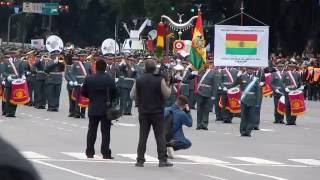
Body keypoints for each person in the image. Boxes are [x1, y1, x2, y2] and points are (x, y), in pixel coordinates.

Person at [130, 58, 173, 167]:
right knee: (159, 136)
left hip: (143, 111)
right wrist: (169, 84)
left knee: (143, 136)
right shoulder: (159, 79)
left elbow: (132, 95)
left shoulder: (139, 79)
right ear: (155, 68)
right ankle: (162, 160)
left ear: (145, 68)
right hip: (157, 111)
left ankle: (140, 160)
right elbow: (167, 94)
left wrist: (140, 99)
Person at [81, 59, 117, 159]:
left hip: (93, 107)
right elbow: (115, 93)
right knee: (105, 132)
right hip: (106, 108)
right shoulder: (109, 79)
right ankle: (106, 153)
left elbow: (83, 92)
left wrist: (92, 97)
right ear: (105, 68)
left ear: (95, 67)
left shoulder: (89, 78)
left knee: (92, 131)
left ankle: (89, 152)